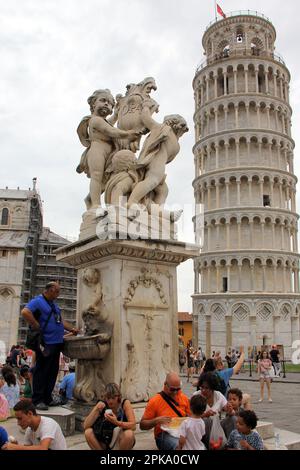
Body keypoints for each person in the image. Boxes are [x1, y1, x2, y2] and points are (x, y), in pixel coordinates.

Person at [76, 89, 141, 209]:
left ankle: (89, 199)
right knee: (97, 176)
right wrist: (128, 134)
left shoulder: (103, 121)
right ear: (93, 104)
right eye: (103, 100)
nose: (107, 104)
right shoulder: (94, 120)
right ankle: (95, 205)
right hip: (97, 150)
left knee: (104, 181)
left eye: (110, 103)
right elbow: (110, 130)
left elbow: (109, 123)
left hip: (108, 152)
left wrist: (116, 115)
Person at [21, 281, 79, 410]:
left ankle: (47, 398)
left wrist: (72, 329)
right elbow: (25, 312)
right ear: (50, 290)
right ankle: (37, 400)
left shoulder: (53, 305)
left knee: (52, 371)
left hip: (56, 343)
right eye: (57, 291)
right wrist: (36, 324)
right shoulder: (38, 301)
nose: (58, 294)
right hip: (46, 343)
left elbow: (60, 321)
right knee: (42, 371)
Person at [127, 110, 189, 207]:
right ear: (175, 124)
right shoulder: (163, 128)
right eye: (183, 127)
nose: (184, 131)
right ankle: (132, 202)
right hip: (156, 161)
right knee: (152, 180)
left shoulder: (175, 141)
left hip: (161, 163)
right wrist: (147, 106)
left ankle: (156, 212)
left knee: (163, 189)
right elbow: (145, 117)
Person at [140, 372, 190, 450]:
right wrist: (156, 421)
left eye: (178, 389)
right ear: (165, 384)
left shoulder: (183, 397)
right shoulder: (155, 400)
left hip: (181, 431)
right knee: (180, 446)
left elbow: (191, 415)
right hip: (163, 434)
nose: (175, 392)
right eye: (172, 389)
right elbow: (142, 425)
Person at [84, 383, 136, 450]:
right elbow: (86, 426)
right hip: (105, 439)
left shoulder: (125, 403)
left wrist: (117, 422)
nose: (110, 401)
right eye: (108, 398)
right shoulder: (102, 405)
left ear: (118, 397)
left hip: (120, 440)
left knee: (129, 434)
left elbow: (133, 426)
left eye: (113, 398)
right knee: (88, 432)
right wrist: (96, 409)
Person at [1, 400, 67, 450]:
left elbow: (43, 448)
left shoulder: (48, 424)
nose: (18, 423)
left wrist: (15, 447)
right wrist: (16, 446)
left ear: (30, 413)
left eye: (20, 418)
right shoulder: (29, 430)